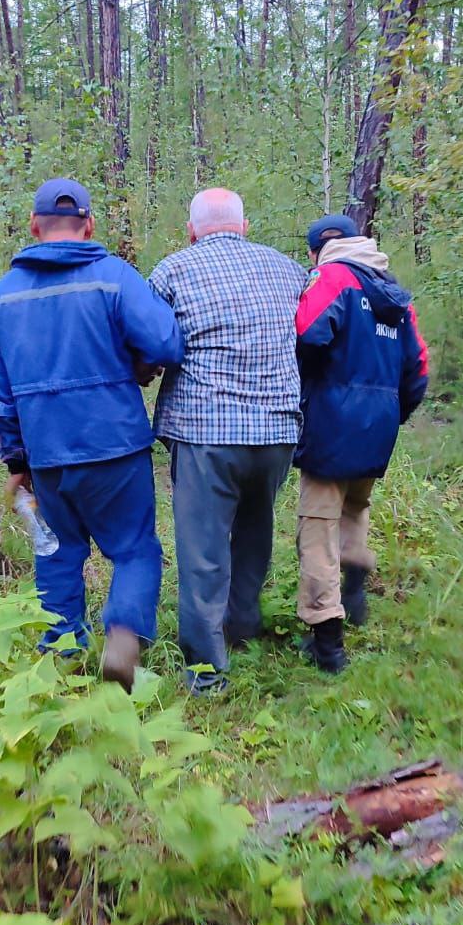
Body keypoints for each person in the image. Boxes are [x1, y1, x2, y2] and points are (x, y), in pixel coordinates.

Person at [0, 177, 185, 689]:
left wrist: (17, 464)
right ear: (88, 225)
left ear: (33, 227)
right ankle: (122, 634)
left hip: (48, 456)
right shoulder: (114, 277)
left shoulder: (0, 300)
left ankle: (62, 653)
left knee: (58, 551)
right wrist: (138, 362)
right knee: (134, 548)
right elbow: (166, 341)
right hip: (116, 447)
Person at [148, 188, 306, 694]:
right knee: (256, 530)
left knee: (203, 549)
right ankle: (240, 626)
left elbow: (153, 343)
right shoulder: (288, 271)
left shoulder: (172, 271)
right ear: (244, 225)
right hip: (278, 429)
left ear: (192, 230)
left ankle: (205, 668)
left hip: (206, 432)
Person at [294, 213, 428, 672]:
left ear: (316, 250)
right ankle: (353, 592)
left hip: (332, 423)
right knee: (355, 507)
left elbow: (308, 334)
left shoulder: (332, 278)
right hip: (379, 426)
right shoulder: (392, 291)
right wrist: (391, 413)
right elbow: (418, 368)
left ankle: (326, 639)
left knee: (317, 526)